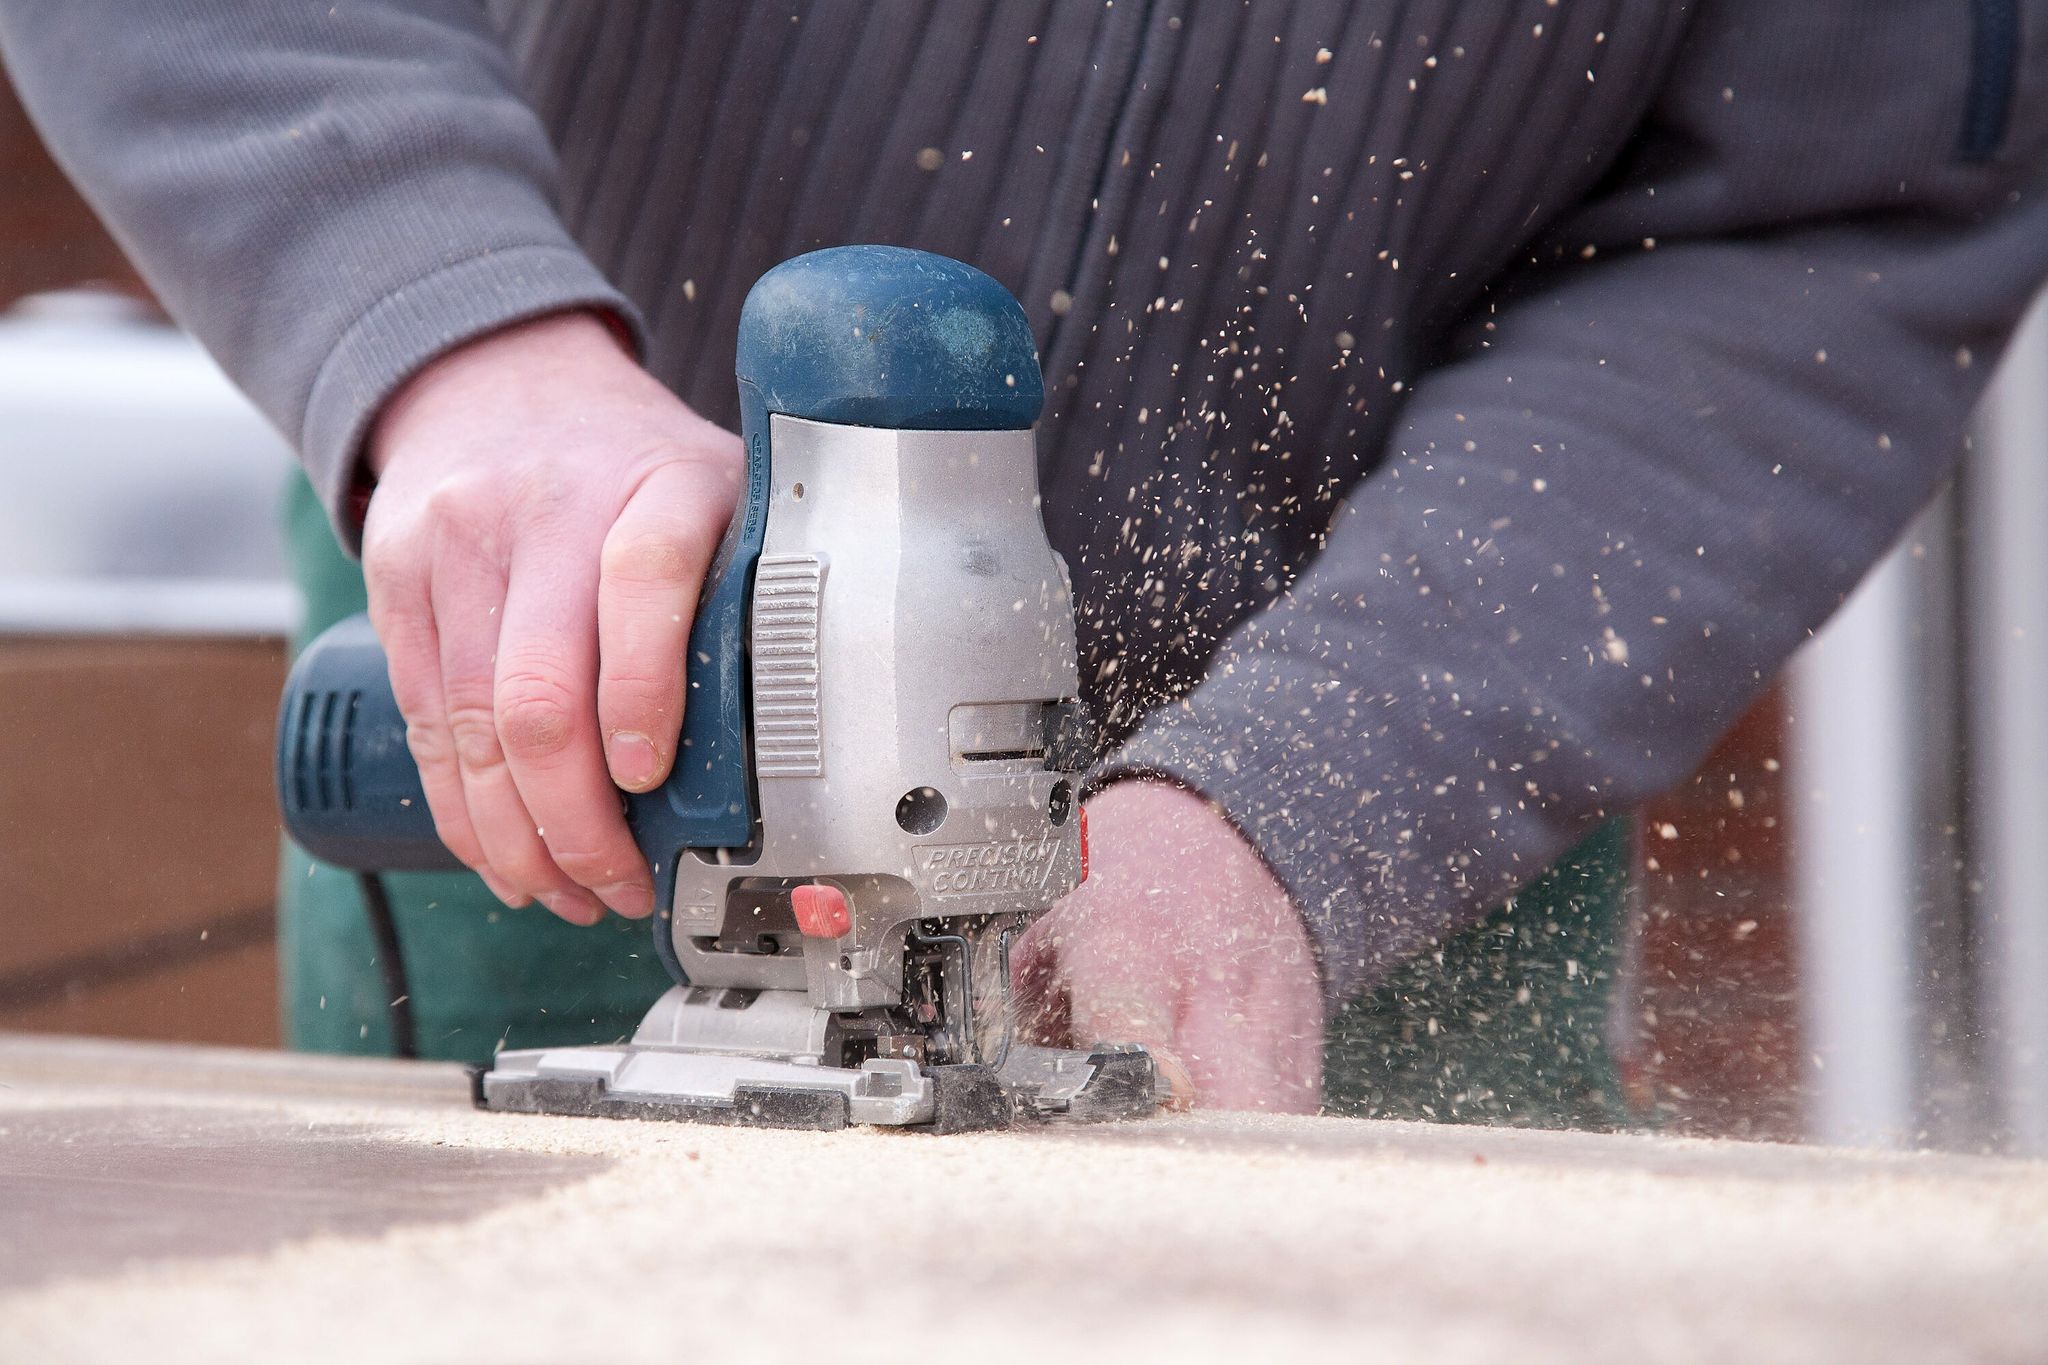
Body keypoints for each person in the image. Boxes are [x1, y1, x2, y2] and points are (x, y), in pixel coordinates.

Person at [3, 1, 2043, 1115]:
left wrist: (1317, 793)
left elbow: (1839, 208)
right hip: (565, 590)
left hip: (1410, 724)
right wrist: (444, 320)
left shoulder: (1369, 767)